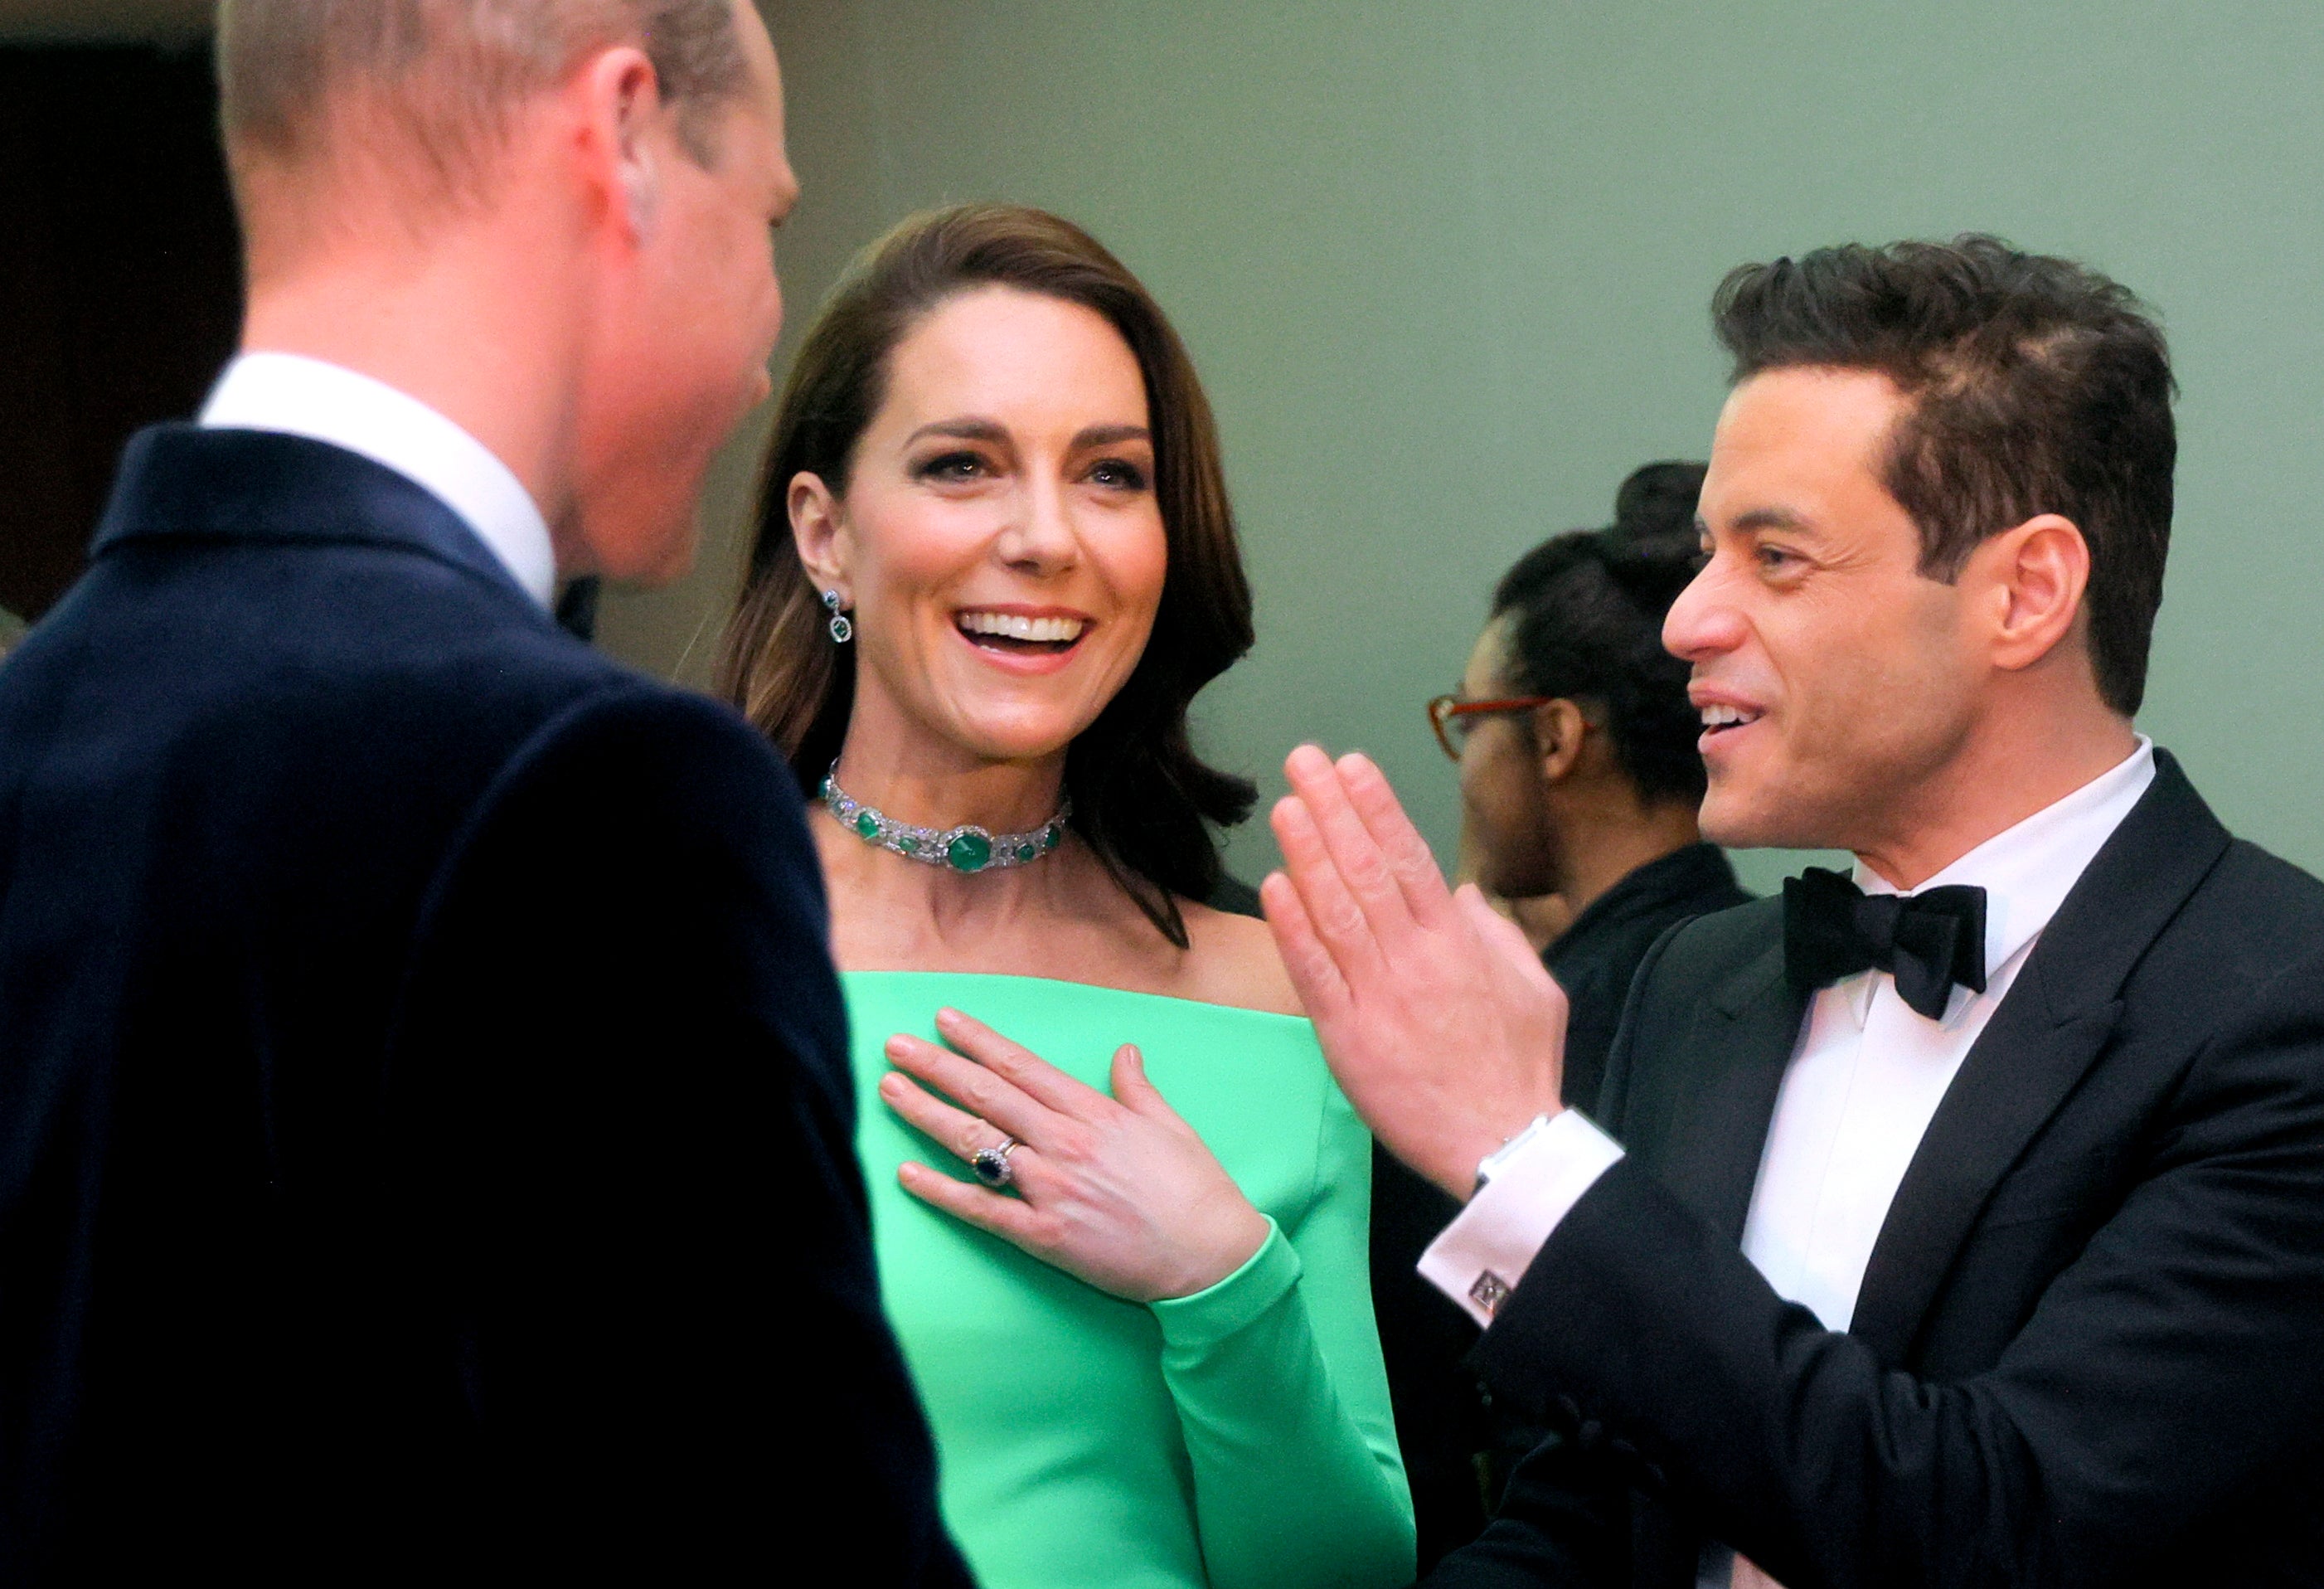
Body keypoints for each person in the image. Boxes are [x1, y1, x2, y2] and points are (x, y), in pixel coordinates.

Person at [0, 4, 967, 1583]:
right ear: (626, 138)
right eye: (770, 221)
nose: (769, 344)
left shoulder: (32, 722)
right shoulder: (598, 791)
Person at [1263, 236, 2324, 1586]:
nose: (1688, 621)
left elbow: (1994, 1527)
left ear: (2026, 593)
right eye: (1710, 553)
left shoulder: (2279, 1005)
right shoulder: (1704, 981)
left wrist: (1519, 1160)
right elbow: (1588, 1517)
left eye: (1776, 557)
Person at [718, 202, 1414, 1589]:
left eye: (1109, 476)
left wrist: (1220, 1279)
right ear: (825, 532)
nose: (1047, 539)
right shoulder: (656, 947)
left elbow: (1340, 1572)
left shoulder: (1276, 992)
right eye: (964, 466)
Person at [1380, 462, 1749, 1569]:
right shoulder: (1776, 980)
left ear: (1552, 738)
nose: (1464, 767)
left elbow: (1437, 1373)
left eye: (1470, 722)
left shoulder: (1532, 1036)